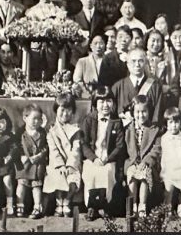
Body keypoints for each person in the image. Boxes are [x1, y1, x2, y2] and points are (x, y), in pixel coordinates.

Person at [80, 91, 125, 220]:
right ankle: (91, 206)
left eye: (108, 101)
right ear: (95, 104)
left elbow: (119, 146)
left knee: (107, 173)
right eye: (101, 102)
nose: (105, 105)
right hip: (93, 157)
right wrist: (93, 158)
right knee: (90, 173)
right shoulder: (89, 120)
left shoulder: (116, 121)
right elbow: (84, 143)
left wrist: (107, 158)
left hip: (109, 158)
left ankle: (105, 206)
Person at [42, 94, 82, 218]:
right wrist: (60, 165)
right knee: (58, 176)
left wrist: (70, 165)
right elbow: (53, 151)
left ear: (73, 112)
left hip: (72, 164)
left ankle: (68, 201)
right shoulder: (51, 131)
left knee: (73, 180)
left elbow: (76, 150)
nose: (65, 113)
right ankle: (60, 202)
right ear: (56, 110)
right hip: (57, 164)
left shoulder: (76, 130)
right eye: (62, 110)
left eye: (69, 110)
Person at [124, 96, 161, 218]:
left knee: (144, 175)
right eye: (137, 112)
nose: (141, 115)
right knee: (132, 176)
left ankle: (142, 205)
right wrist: (133, 163)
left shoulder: (154, 129)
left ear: (149, 112)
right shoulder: (128, 129)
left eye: (144, 111)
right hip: (132, 162)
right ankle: (133, 205)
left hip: (147, 163)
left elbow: (156, 149)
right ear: (133, 113)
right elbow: (125, 149)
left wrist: (146, 162)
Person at [111, 48, 163, 126]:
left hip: (148, 133)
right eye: (133, 61)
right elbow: (112, 115)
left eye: (140, 61)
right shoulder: (117, 87)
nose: (137, 64)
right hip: (123, 134)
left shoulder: (155, 86)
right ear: (127, 64)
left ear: (145, 63)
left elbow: (157, 115)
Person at [14, 104, 49, 219]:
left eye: (39, 119)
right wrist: (22, 156)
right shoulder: (20, 132)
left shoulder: (42, 132)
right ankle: (20, 205)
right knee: (21, 183)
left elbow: (46, 146)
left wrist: (41, 154)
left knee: (36, 185)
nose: (36, 122)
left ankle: (37, 206)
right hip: (24, 163)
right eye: (34, 118)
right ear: (25, 118)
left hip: (37, 163)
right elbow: (15, 146)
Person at [159, 107, 181, 218]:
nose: (174, 125)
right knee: (168, 190)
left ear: (180, 123)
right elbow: (162, 156)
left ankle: (180, 208)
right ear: (166, 124)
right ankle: (167, 209)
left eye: (176, 122)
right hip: (169, 170)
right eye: (171, 122)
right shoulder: (164, 138)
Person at [70, 0, 108, 67]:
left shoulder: (103, 17)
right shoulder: (74, 18)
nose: (89, 0)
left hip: (98, 56)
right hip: (79, 58)